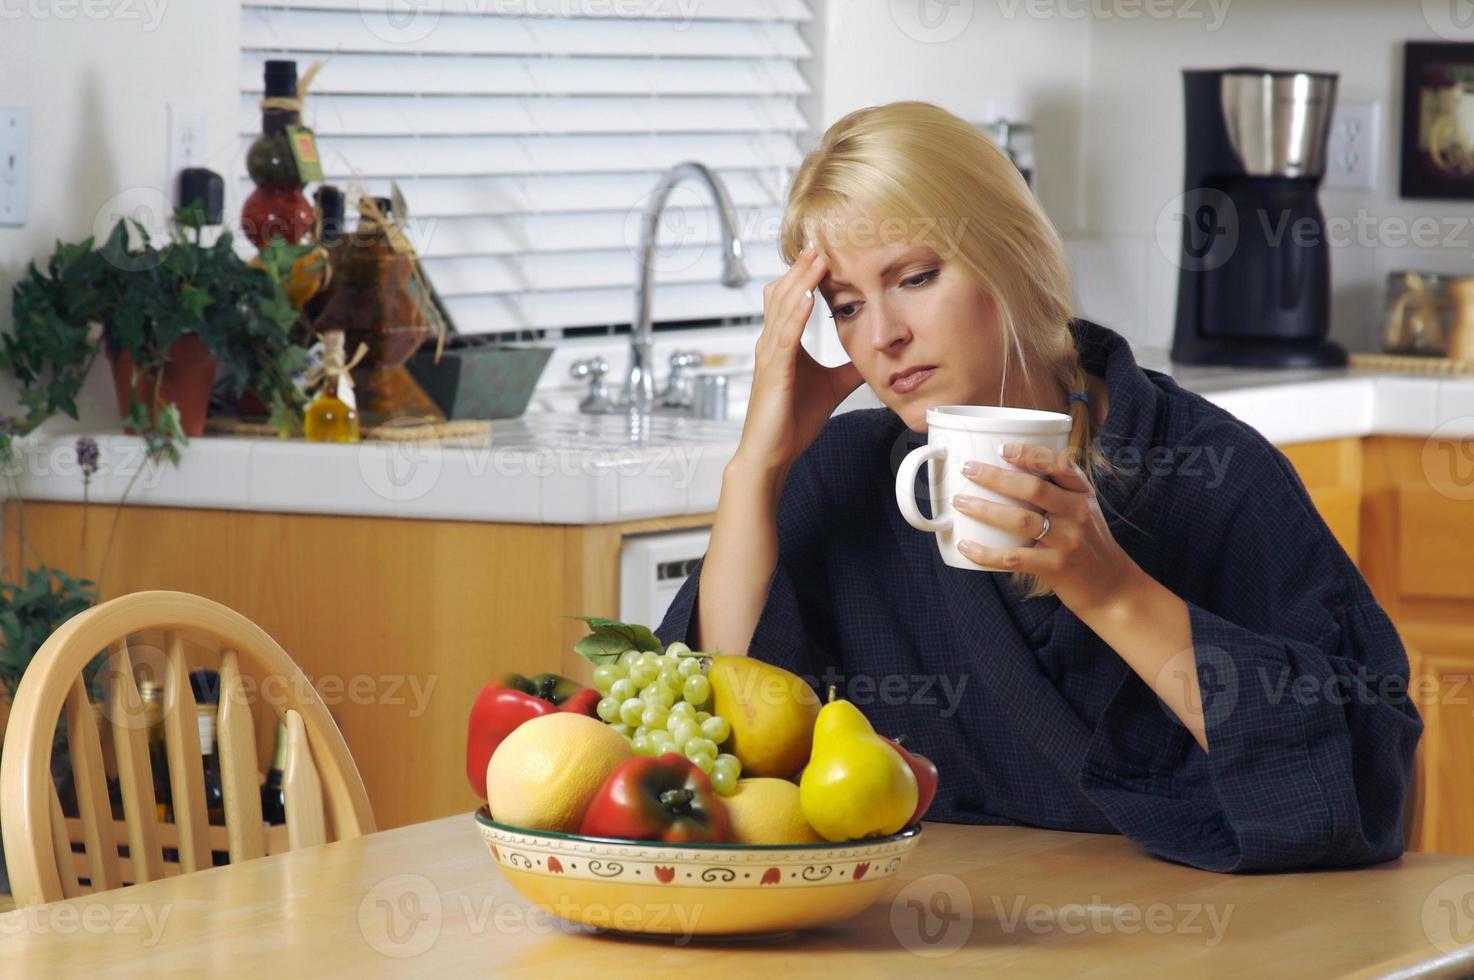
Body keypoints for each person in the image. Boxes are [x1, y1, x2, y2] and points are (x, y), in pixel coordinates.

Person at [652, 100, 1420, 873]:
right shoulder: (845, 476)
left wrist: (1111, 592)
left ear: (1009, 255)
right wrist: (756, 468)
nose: (882, 335)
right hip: (933, 930)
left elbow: (1366, 786)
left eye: (914, 277)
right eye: (847, 307)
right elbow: (723, 744)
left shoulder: (1210, 469)